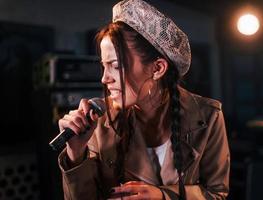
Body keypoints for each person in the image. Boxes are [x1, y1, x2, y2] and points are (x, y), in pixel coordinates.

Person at [57, 0, 230, 199]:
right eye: (104, 66)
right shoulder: (100, 122)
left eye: (115, 65)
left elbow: (217, 194)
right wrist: (76, 153)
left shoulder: (208, 116)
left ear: (157, 69)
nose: (105, 78)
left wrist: (162, 196)